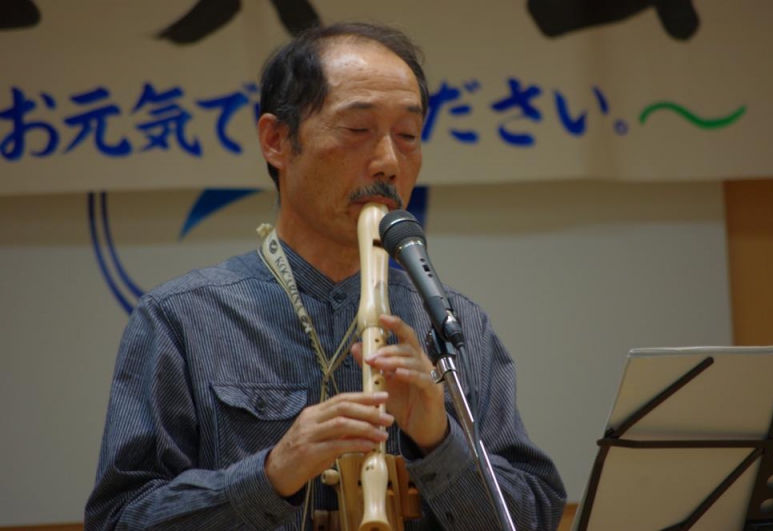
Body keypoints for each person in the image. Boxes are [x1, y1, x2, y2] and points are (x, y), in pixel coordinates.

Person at [86, 22, 566, 530]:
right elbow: (118, 520)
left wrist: (438, 440)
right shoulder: (181, 318)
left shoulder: (451, 323)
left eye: (408, 136)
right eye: (357, 130)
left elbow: (533, 516)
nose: (388, 162)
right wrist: (272, 473)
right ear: (276, 140)